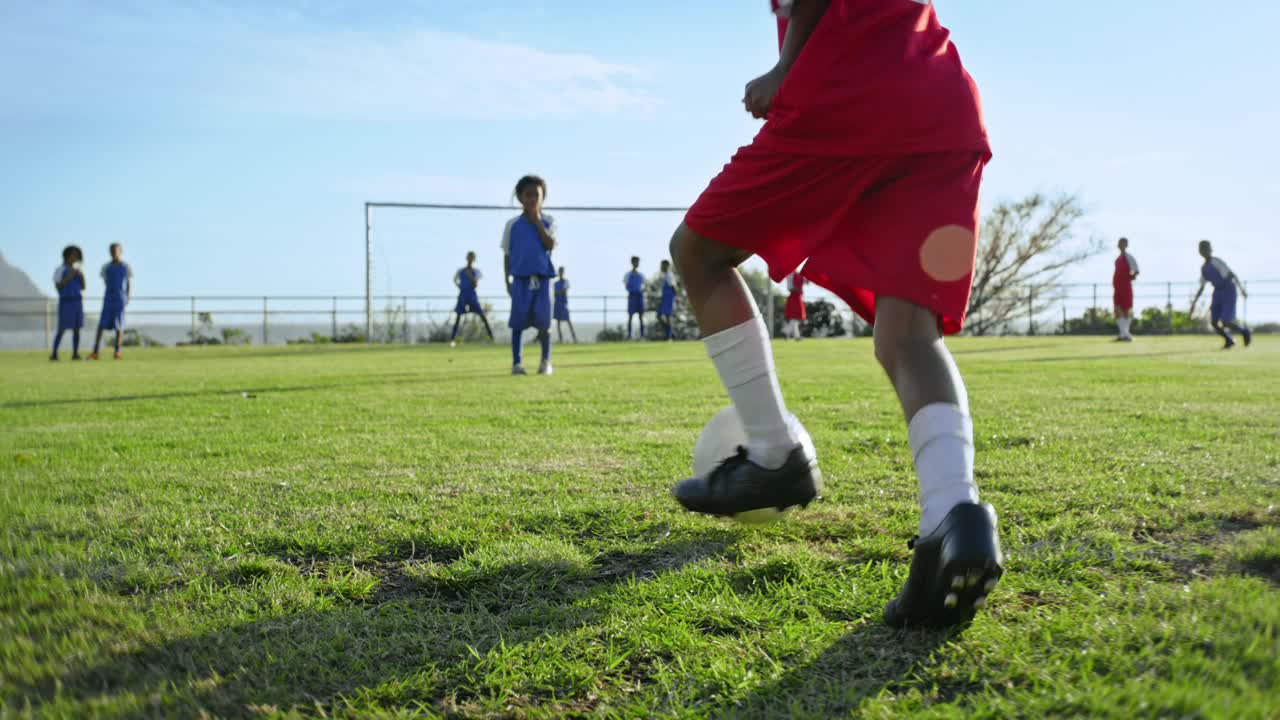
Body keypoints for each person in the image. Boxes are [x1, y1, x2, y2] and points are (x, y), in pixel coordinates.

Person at [668, 0, 1001, 628]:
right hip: (940, 99)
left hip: (850, 91)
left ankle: (773, 454)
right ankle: (954, 521)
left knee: (698, 253)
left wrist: (786, 67)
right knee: (906, 337)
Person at [503, 175, 557, 375]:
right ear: (520, 197)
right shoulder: (512, 225)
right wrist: (507, 280)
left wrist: (537, 223)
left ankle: (545, 361)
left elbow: (550, 244)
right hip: (520, 280)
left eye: (536, 195)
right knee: (518, 323)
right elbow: (507, 255)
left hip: (542, 280)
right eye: (528, 195)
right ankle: (517, 363)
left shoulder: (549, 222)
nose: (532, 199)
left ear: (543, 197)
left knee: (544, 323)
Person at [1189, 240, 1251, 349]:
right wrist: (1194, 303)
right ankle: (1229, 340)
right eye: (1202, 248)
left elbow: (1232, 274)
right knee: (1214, 322)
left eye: (1206, 248)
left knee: (1226, 321)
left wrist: (1242, 289)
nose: (1204, 251)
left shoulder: (1216, 262)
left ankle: (1244, 331)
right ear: (1199, 251)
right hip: (1217, 292)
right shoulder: (1204, 268)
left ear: (1210, 249)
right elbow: (1202, 287)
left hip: (1228, 290)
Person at [90, 243, 132, 360]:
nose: (114, 253)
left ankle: (117, 352)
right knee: (102, 325)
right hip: (108, 299)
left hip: (120, 300)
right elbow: (105, 282)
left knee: (119, 326)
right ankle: (95, 351)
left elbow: (129, 283)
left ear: (120, 251)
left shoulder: (126, 267)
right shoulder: (106, 267)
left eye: (116, 250)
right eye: (112, 251)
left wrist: (127, 297)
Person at [450, 251, 495, 346]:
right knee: (458, 316)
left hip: (472, 295)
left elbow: (475, 284)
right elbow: (454, 280)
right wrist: (460, 286)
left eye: (472, 258)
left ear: (474, 260)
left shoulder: (476, 272)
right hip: (462, 295)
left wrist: (470, 275)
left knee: (482, 315)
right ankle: (452, 339)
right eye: (469, 257)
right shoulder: (460, 271)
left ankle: (491, 337)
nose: (470, 259)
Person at [51, 245, 86, 361]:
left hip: (77, 301)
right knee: (62, 328)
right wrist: (69, 276)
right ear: (66, 256)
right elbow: (58, 287)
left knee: (77, 329)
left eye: (76, 256)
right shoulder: (60, 270)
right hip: (66, 301)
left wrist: (80, 276)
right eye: (73, 255)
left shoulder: (77, 271)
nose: (75, 258)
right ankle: (54, 353)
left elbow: (83, 287)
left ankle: (75, 353)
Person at [1113, 237, 1139, 342]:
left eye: (1123, 243)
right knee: (1117, 309)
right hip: (1117, 287)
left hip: (1126, 287)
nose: (1121, 245)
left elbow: (1136, 270)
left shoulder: (1129, 258)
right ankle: (1122, 334)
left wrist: (1130, 278)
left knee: (1126, 309)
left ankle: (1126, 334)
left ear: (1126, 245)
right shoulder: (1117, 259)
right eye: (1120, 243)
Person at [553, 266, 578, 344]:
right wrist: (558, 292)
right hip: (557, 303)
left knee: (568, 321)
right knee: (558, 323)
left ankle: (574, 338)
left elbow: (564, 291)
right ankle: (561, 339)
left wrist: (558, 292)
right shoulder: (555, 283)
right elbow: (554, 293)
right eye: (559, 271)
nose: (560, 273)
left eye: (561, 271)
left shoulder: (566, 282)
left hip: (563, 303)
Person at [624, 256, 646, 340]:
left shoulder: (641, 275)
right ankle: (629, 335)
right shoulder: (628, 275)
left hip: (639, 297)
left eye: (638, 262)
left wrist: (641, 291)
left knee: (641, 317)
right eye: (635, 262)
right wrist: (633, 290)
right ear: (632, 262)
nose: (637, 263)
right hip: (632, 297)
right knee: (630, 316)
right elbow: (626, 286)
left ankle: (642, 336)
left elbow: (645, 286)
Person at [656, 259, 678, 341]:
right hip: (664, 298)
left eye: (662, 265)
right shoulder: (664, 275)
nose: (661, 267)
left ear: (666, 266)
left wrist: (676, 298)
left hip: (668, 298)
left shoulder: (669, 275)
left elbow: (673, 287)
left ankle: (669, 336)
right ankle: (670, 333)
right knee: (659, 316)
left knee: (668, 317)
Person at [784, 270, 806, 340]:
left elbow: (806, 281)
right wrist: (798, 289)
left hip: (798, 297)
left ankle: (795, 335)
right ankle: (787, 332)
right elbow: (790, 288)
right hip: (793, 297)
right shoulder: (790, 275)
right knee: (794, 317)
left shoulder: (800, 274)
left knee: (795, 318)